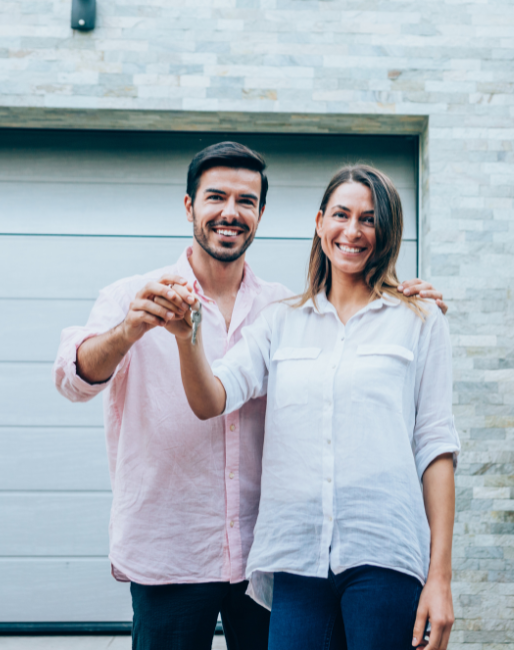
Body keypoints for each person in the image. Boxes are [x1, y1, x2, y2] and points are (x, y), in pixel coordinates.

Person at [53, 144, 448, 650]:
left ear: (261, 213)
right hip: (175, 552)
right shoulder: (137, 295)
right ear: (189, 205)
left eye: (246, 200)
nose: (230, 212)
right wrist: (131, 330)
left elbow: (428, 434)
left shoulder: (282, 308)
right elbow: (73, 378)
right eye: (216, 196)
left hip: (268, 559)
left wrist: (404, 305)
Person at [167, 164, 459, 650]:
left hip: (384, 553)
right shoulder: (280, 321)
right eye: (341, 214)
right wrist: (186, 337)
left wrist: (440, 578)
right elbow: (210, 398)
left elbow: (436, 447)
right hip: (297, 559)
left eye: (369, 219)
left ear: (387, 231)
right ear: (320, 222)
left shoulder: (420, 320)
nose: (353, 230)